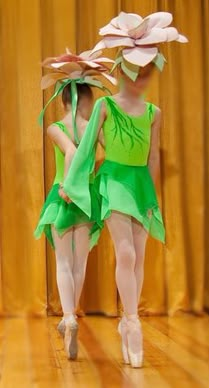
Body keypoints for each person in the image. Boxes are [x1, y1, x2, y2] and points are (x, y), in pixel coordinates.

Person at [61, 12, 188, 367]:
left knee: (140, 257)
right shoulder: (105, 106)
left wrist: (153, 195)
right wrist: (72, 185)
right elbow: (86, 151)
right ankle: (131, 322)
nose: (141, 79)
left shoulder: (153, 112)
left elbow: (152, 159)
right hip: (113, 180)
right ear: (120, 71)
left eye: (147, 72)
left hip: (140, 185)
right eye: (135, 71)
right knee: (126, 254)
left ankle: (127, 319)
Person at [34, 49, 116, 360]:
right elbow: (110, 155)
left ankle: (68, 317)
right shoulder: (95, 128)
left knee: (63, 263)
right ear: (87, 100)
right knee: (79, 263)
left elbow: (69, 153)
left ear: (64, 99)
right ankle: (70, 315)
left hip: (63, 193)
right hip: (87, 199)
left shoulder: (55, 127)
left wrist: (68, 185)